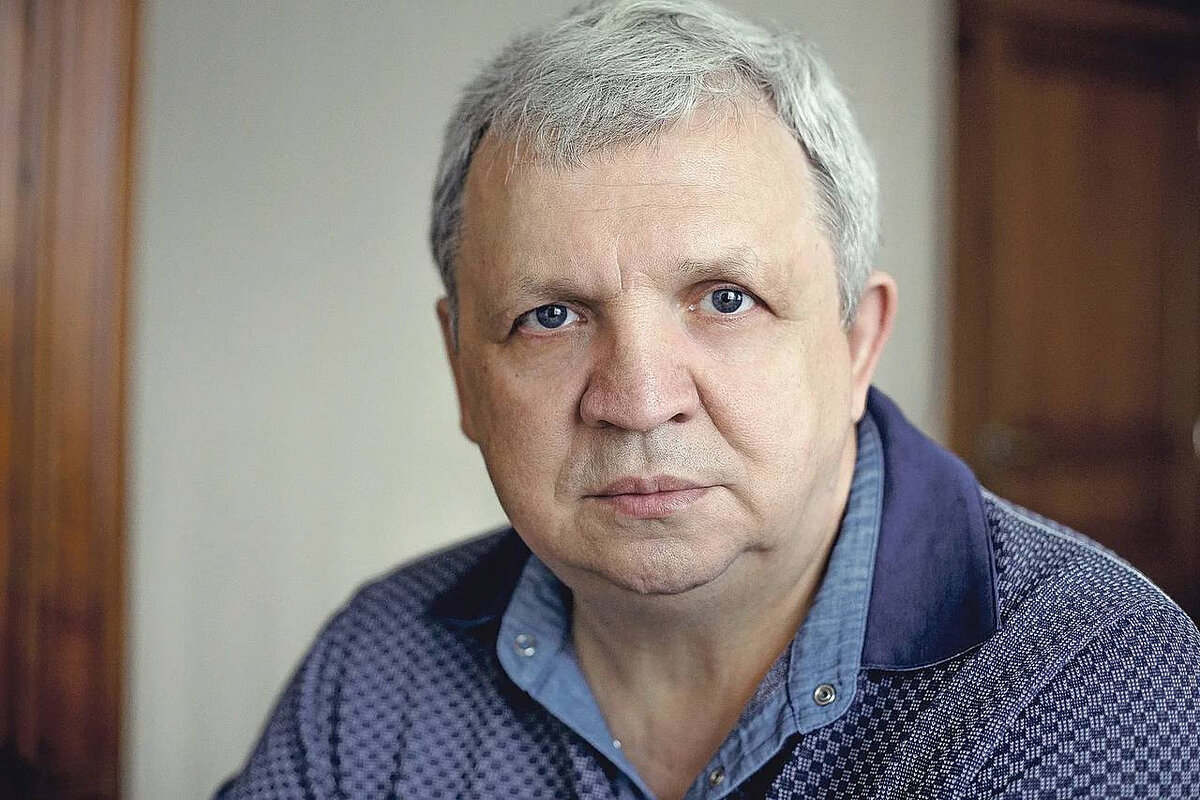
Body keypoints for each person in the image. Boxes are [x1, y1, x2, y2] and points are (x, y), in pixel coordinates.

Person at [216, 1, 1200, 798]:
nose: (640, 401)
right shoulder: (375, 667)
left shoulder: (1101, 691)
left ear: (857, 342)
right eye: (550, 316)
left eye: (726, 299)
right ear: (460, 368)